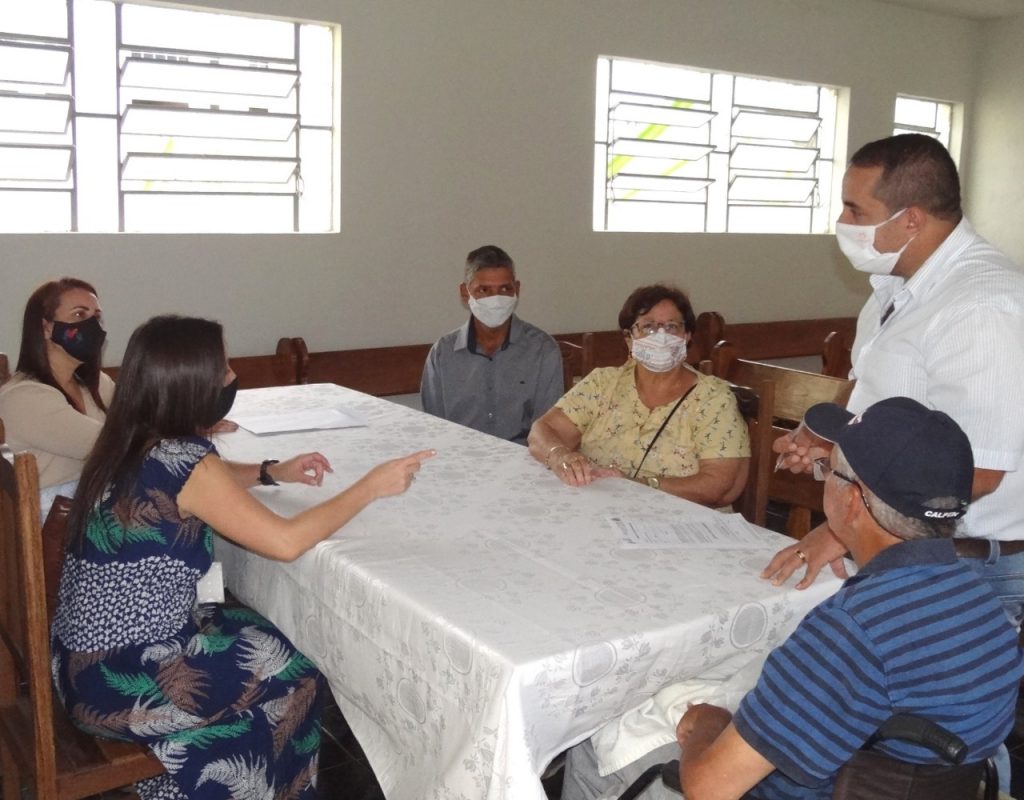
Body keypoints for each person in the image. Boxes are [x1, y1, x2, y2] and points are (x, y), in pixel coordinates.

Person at [51, 315, 435, 800]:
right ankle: (242, 785)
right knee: (301, 671)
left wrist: (272, 471)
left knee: (275, 636)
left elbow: (205, 484)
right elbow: (286, 542)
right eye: (224, 368)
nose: (232, 377)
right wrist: (370, 488)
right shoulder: (187, 462)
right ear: (191, 385)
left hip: (81, 664)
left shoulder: (132, 439)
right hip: (126, 680)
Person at [562, 397, 1023, 800]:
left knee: (600, 737)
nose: (824, 478)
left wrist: (707, 723)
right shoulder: (982, 603)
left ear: (851, 501)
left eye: (830, 468)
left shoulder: (854, 628)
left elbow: (709, 787)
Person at [764, 134, 1024, 628]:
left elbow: (980, 473)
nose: (842, 224)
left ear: (911, 219)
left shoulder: (982, 306)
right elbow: (871, 392)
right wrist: (830, 438)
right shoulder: (895, 285)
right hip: (896, 538)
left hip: (968, 563)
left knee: (920, 701)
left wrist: (845, 526)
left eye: (855, 211)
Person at [527, 284, 749, 508]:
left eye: (672, 327)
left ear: (687, 336)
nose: (661, 336)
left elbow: (718, 486)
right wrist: (560, 456)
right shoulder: (603, 383)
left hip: (684, 522)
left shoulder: (714, 398)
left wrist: (639, 484)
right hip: (603, 510)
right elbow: (542, 431)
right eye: (649, 327)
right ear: (629, 338)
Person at [420, 245, 563, 444]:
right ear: (465, 292)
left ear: (517, 290)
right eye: (483, 290)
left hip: (524, 460)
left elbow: (548, 428)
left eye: (505, 289)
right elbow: (434, 426)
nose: (495, 299)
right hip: (461, 458)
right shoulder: (443, 353)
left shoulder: (542, 350)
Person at [0, 278, 113, 514]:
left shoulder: (95, 383)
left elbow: (141, 419)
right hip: (43, 528)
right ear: (46, 327)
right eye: (80, 315)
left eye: (96, 316)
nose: (93, 325)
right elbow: (108, 446)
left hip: (88, 513)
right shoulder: (25, 398)